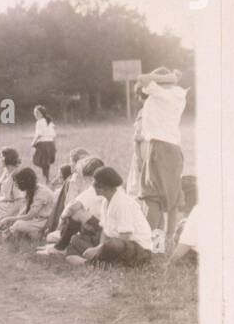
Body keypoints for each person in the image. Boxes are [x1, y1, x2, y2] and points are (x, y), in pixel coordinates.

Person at [136, 66, 188, 252]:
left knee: (153, 196)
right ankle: (165, 246)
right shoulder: (175, 93)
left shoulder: (168, 93)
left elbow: (142, 78)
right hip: (171, 149)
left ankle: (151, 246)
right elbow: (144, 85)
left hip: (161, 147)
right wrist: (171, 78)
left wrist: (171, 76)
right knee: (171, 198)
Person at [71, 166, 153, 268]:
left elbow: (125, 236)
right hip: (116, 245)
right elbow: (105, 232)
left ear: (105, 187)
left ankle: (90, 264)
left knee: (114, 244)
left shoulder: (123, 203)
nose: (93, 187)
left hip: (138, 249)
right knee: (75, 239)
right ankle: (102, 261)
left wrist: (98, 250)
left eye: (96, 184)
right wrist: (98, 248)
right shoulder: (106, 201)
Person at [36, 154, 104, 256]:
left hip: (102, 233)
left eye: (85, 178)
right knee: (68, 230)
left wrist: (62, 219)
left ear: (90, 177)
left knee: (77, 213)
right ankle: (61, 245)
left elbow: (72, 207)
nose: (84, 180)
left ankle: (60, 247)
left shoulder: (94, 188)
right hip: (103, 230)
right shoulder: (107, 186)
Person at [0, 166, 55, 241]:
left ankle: (13, 234)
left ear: (24, 182)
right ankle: (14, 233)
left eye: (16, 182)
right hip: (36, 219)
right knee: (17, 222)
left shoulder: (41, 193)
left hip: (45, 221)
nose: (15, 184)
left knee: (18, 224)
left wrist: (9, 219)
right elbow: (25, 211)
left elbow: (30, 216)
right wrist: (12, 219)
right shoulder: (31, 190)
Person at [31, 105, 56, 183]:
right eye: (34, 113)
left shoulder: (39, 122)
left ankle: (46, 179)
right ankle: (46, 178)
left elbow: (39, 134)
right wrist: (54, 145)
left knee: (38, 161)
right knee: (45, 162)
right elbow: (54, 135)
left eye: (37, 113)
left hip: (43, 144)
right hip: (50, 143)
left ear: (41, 113)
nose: (35, 115)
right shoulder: (49, 121)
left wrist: (33, 142)